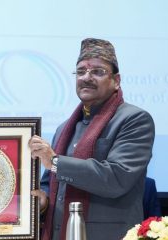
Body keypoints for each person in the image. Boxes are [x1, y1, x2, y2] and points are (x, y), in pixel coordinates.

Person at [28, 38, 155, 240]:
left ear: (116, 80)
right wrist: (41, 200)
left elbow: (116, 177)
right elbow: (50, 182)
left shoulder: (134, 119)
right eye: (80, 72)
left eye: (98, 71)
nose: (86, 77)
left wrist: (55, 162)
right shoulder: (64, 128)